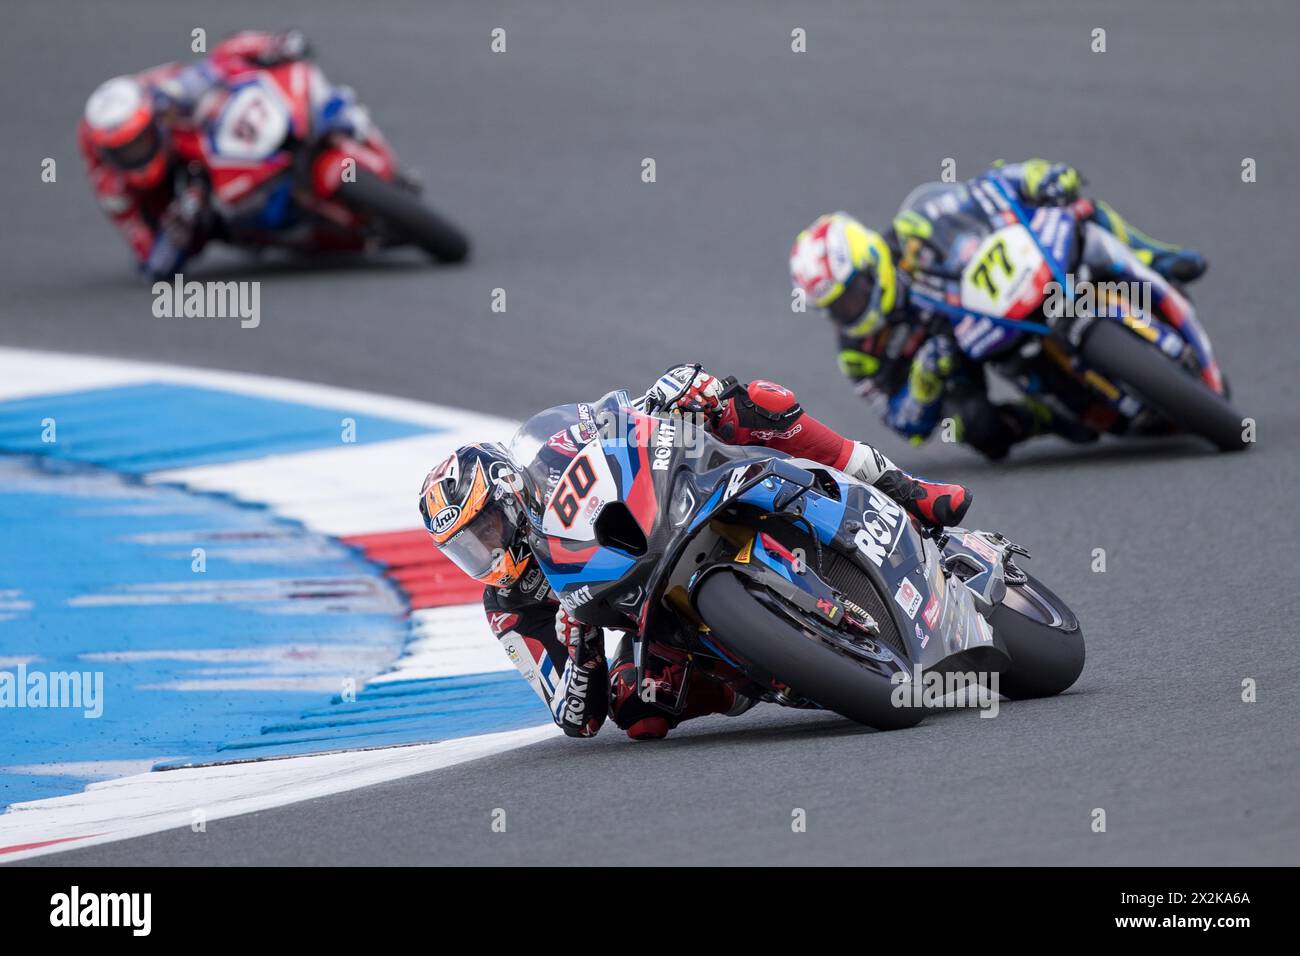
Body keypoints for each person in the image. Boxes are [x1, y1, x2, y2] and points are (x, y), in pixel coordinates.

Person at [419, 365, 972, 741]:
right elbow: (574, 716)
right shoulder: (508, 606)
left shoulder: (552, 457)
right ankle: (773, 671)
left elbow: (609, 422)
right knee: (638, 710)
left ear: (508, 493)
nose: (487, 551)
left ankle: (904, 487)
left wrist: (671, 395)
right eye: (467, 548)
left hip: (663, 510)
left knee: (751, 402)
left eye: (486, 528)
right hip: (638, 606)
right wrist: (578, 640)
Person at [789, 159, 1209, 458]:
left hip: (1003, 288)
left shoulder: (913, 231)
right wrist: (924, 380)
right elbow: (905, 426)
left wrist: (1036, 177)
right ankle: (1048, 416)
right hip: (965, 351)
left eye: (851, 295)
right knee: (974, 426)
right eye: (836, 306)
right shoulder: (857, 350)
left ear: (869, 264)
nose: (849, 310)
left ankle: (1155, 256)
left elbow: (984, 190)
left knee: (1076, 210)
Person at [78, 29, 310, 277]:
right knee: (169, 251)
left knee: (229, 73)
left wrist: (270, 47)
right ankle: (255, 227)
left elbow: (214, 65)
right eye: (124, 153)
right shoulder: (109, 182)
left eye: (140, 143)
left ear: (153, 125)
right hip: (177, 199)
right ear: (107, 156)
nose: (136, 155)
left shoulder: (160, 92)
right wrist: (173, 237)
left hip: (195, 141)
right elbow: (144, 250)